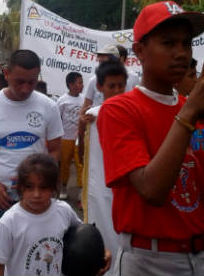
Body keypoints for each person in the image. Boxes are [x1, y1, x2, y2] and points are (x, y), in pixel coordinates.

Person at [98, 1, 204, 276]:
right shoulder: (119, 109)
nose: (181, 53)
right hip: (147, 260)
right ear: (139, 51)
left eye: (186, 44)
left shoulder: (199, 110)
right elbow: (152, 190)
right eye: (168, 43)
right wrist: (189, 112)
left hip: (201, 256)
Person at [0, 49, 64, 275]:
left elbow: (56, 149)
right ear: (6, 73)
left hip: (36, 200)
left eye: (32, 82)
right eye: (20, 81)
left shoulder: (48, 106)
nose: (26, 89)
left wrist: (40, 185)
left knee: (35, 257)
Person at [0, 153, 110, 276]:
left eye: (43, 187)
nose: (36, 194)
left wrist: (101, 252)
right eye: (29, 187)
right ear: (20, 187)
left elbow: (85, 236)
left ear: (54, 187)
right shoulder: (9, 221)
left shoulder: (63, 211)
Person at [79, 60, 126, 272]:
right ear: (99, 87)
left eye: (120, 85)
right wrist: (81, 127)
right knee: (104, 236)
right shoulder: (93, 117)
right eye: (111, 86)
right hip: (100, 191)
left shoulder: (134, 112)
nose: (116, 91)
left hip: (127, 187)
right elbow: (82, 157)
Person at [57, 72, 84, 200]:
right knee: (65, 164)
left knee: (80, 164)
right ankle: (63, 186)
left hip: (80, 138)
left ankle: (81, 189)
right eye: (79, 82)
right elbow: (57, 119)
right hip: (65, 138)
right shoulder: (62, 100)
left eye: (82, 82)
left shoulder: (84, 99)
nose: (82, 85)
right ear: (71, 85)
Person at [81, 44, 121, 111]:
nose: (99, 59)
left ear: (114, 60)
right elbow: (86, 106)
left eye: (104, 56)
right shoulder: (93, 80)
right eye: (99, 56)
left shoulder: (125, 80)